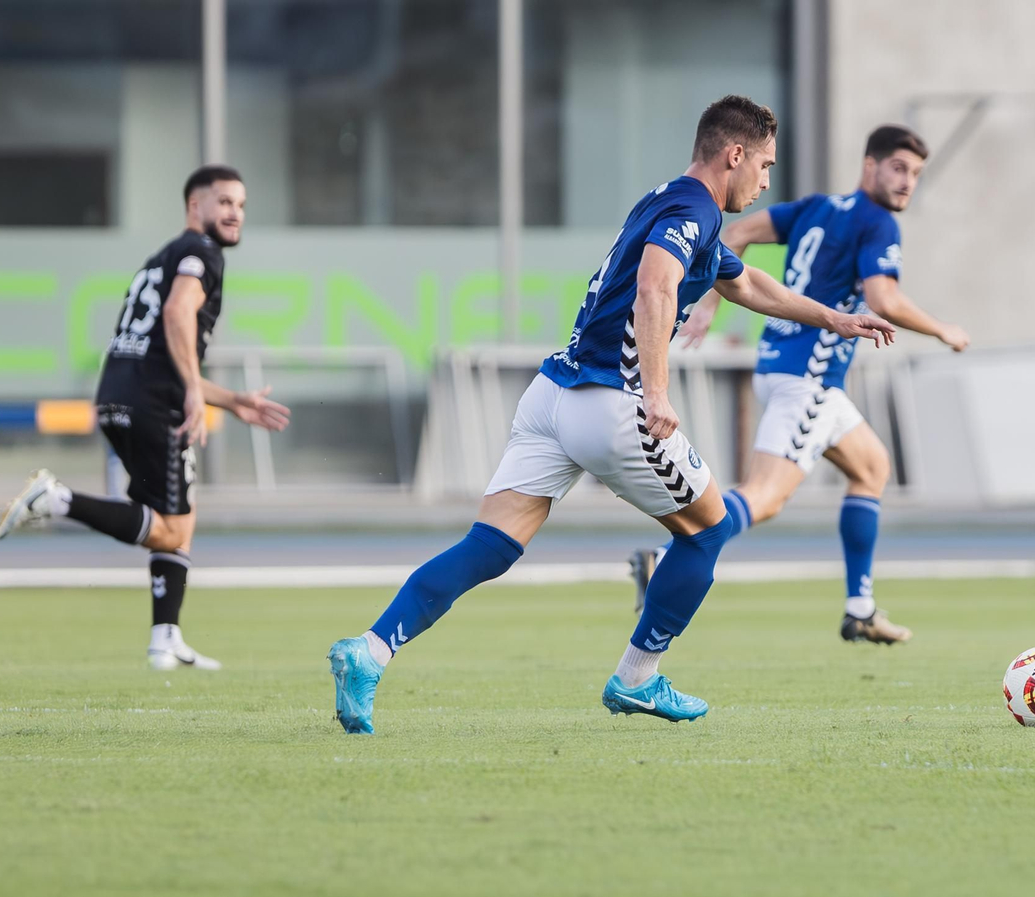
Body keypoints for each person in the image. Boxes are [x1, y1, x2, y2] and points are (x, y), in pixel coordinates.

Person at [325, 95, 896, 734]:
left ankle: (368, 652)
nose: (766, 181)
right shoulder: (693, 208)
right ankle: (637, 679)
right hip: (612, 402)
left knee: (489, 545)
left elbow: (750, 285)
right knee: (706, 532)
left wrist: (835, 317)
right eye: (763, 165)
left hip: (552, 396)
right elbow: (656, 286)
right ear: (734, 154)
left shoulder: (669, 200)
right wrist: (655, 393)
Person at [630, 125, 969, 644]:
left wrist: (712, 302)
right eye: (899, 168)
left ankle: (860, 609)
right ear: (869, 165)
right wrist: (942, 328)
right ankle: (664, 558)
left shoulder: (817, 207)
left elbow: (734, 236)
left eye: (917, 174)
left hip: (785, 369)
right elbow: (884, 299)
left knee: (872, 466)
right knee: (764, 498)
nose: (907, 183)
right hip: (808, 379)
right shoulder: (878, 224)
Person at [0, 165, 290, 671]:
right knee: (171, 530)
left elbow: (162, 349)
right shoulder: (201, 252)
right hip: (156, 405)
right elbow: (176, 316)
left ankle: (165, 638)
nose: (235, 213)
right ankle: (57, 499)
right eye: (224, 203)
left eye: (240, 205)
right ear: (195, 207)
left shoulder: (164, 256)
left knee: (182, 518)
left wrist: (229, 399)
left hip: (122, 395)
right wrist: (195, 393)